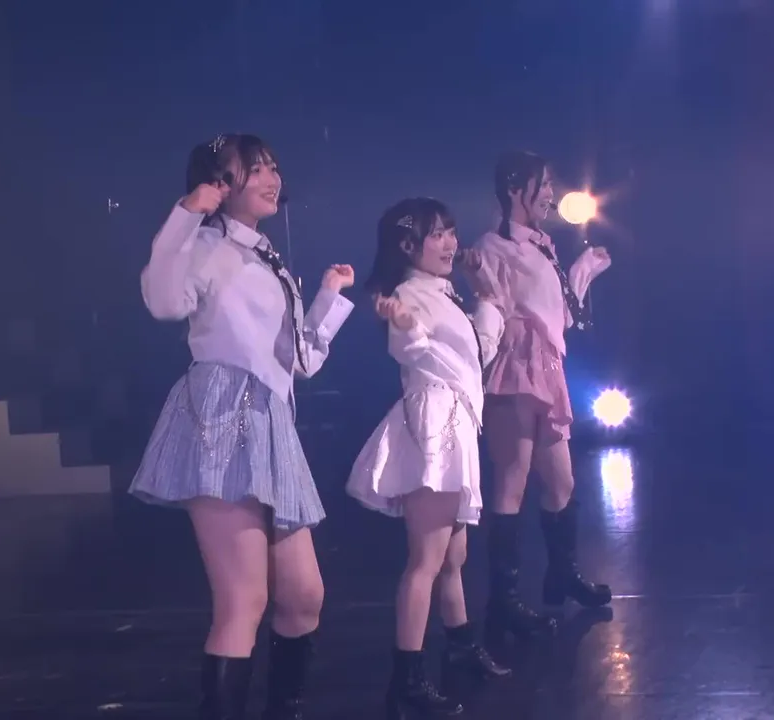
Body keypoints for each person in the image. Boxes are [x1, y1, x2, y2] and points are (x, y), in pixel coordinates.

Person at [130, 133, 356, 720]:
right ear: (220, 182)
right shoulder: (205, 245)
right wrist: (186, 214)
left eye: (273, 168)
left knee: (303, 598)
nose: (271, 179)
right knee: (243, 599)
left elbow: (302, 360)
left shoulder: (266, 257)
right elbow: (163, 300)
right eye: (255, 170)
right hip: (222, 412)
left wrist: (329, 297)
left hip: (271, 423)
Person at [347, 198, 511, 719]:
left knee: (452, 556)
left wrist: (485, 294)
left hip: (456, 421)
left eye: (450, 232)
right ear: (407, 244)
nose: (449, 243)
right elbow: (411, 349)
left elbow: (480, 352)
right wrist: (404, 324)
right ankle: (407, 679)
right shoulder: (408, 294)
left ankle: (460, 644)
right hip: (435, 424)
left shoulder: (445, 293)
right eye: (436, 234)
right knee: (426, 560)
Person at [467, 150, 614, 649]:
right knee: (511, 480)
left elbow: (560, 317)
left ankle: (561, 574)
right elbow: (493, 310)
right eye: (543, 184)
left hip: (548, 367)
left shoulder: (542, 246)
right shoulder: (493, 247)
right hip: (515, 368)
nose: (550, 193)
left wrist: (583, 271)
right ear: (516, 188)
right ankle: (503, 600)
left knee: (562, 482)